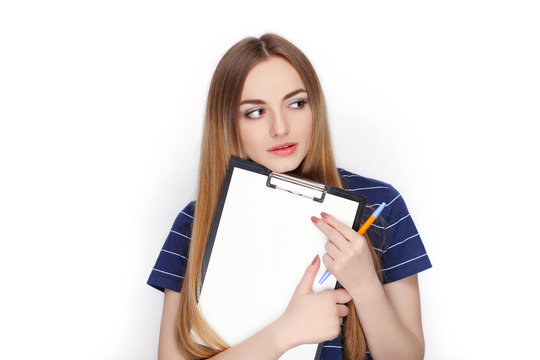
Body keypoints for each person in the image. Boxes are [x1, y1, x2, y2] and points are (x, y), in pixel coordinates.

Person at [147, 33, 432, 360]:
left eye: (296, 103)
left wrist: (366, 285)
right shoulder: (196, 222)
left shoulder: (382, 204)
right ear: (228, 123)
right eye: (255, 112)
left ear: (316, 107)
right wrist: (287, 331)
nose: (280, 128)